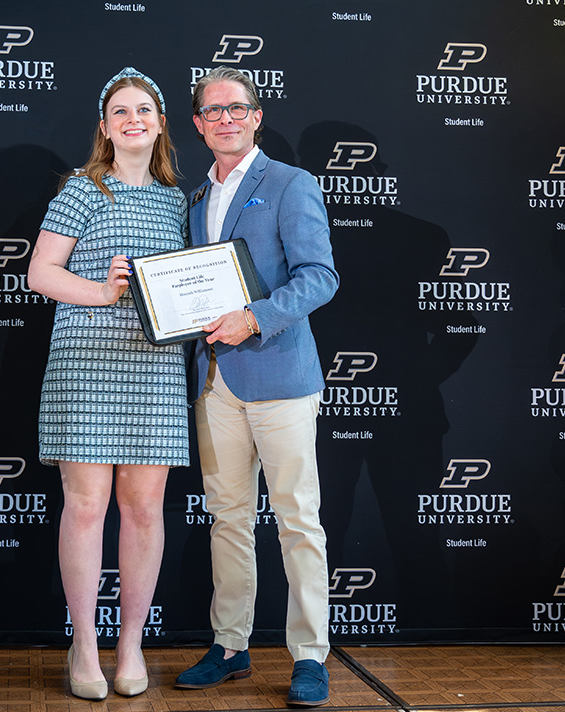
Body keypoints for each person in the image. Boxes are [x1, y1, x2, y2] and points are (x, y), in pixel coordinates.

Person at [174, 67, 338, 707]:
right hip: (215, 382)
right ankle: (230, 646)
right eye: (212, 112)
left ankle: (309, 655)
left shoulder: (291, 184)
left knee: (298, 519)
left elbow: (320, 277)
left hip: (281, 376)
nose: (225, 119)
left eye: (236, 109)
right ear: (197, 123)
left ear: (256, 115)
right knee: (228, 520)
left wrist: (257, 316)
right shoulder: (193, 200)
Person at [27, 67, 188, 701]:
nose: (132, 120)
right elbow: (40, 272)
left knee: (145, 510)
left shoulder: (180, 198)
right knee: (88, 507)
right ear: (104, 127)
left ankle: (130, 649)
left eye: (143, 109)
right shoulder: (81, 190)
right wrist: (100, 291)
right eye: (119, 111)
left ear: (160, 123)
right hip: (85, 364)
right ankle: (85, 649)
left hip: (153, 369)